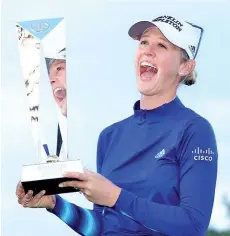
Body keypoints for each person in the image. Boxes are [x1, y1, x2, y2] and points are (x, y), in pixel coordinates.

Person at [16, 15, 218, 236]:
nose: (148, 50)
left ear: (185, 67)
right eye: (143, 42)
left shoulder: (194, 130)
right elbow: (102, 228)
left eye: (161, 45)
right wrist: (55, 204)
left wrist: (115, 196)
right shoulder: (110, 136)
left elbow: (193, 225)